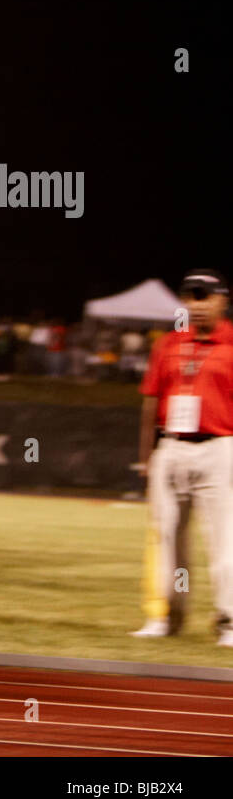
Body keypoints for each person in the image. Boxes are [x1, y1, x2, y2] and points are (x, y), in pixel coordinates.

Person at [132, 269, 233, 647]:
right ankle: (167, 618)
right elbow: (150, 402)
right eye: (191, 296)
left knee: (223, 540)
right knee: (169, 540)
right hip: (171, 447)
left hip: (218, 446)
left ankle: (229, 622)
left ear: (223, 299)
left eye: (205, 296)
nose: (198, 304)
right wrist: (146, 459)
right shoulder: (169, 344)